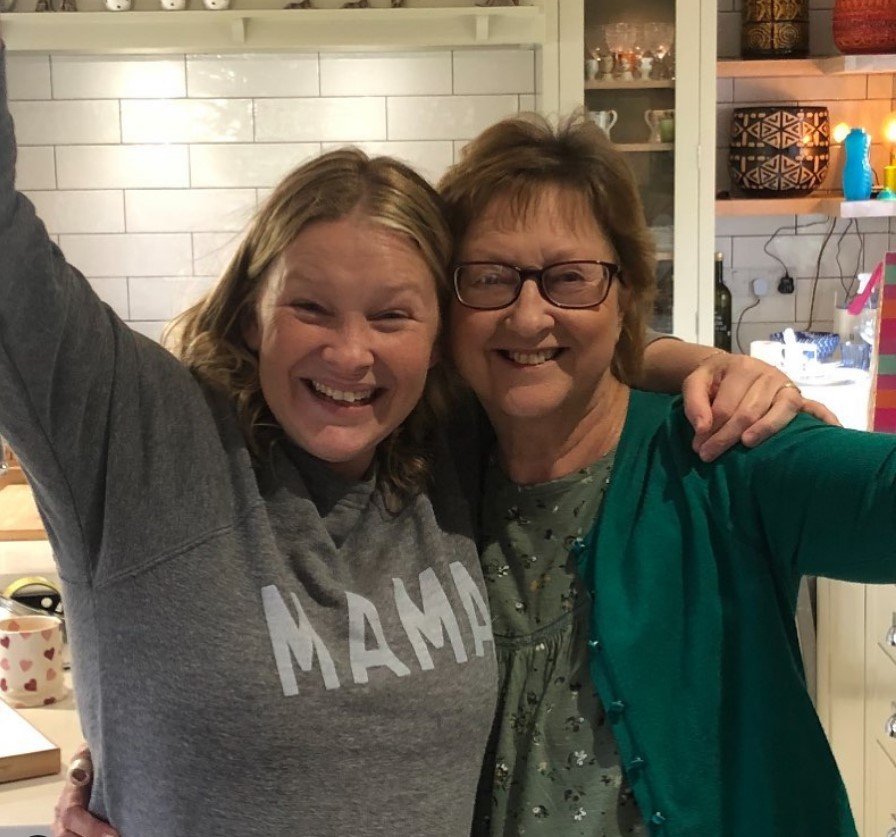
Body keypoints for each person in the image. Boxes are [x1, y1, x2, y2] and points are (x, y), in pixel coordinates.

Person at [0, 31, 828, 837]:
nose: (351, 353)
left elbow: (554, 346)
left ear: (440, 335)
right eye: (310, 306)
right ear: (252, 314)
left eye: (393, 314)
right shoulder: (137, 438)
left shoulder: (444, 450)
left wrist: (703, 365)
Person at [433, 111, 896, 836]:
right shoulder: (433, 482)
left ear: (624, 295)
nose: (528, 316)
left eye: (570, 278)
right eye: (489, 277)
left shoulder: (722, 447)